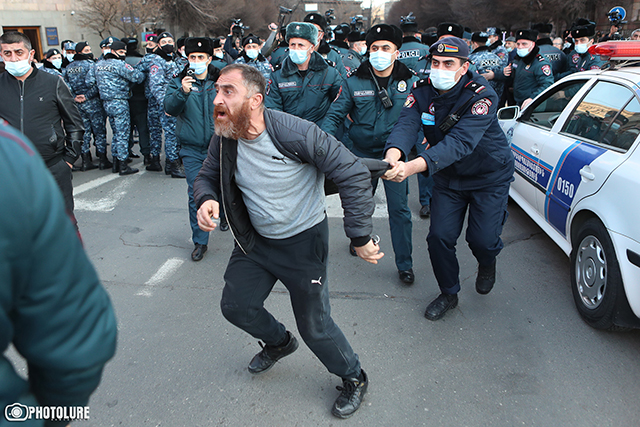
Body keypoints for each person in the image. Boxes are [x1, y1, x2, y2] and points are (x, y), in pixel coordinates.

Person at [193, 64, 385, 418]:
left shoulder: (296, 133)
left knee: (315, 327)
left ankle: (354, 376)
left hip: (303, 244)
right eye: (217, 90)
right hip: (256, 243)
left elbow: (353, 171)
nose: (217, 100)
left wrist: (359, 236)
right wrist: (206, 199)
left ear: (256, 100)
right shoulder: (225, 135)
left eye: (228, 92)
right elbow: (207, 175)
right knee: (236, 306)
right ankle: (279, 343)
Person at [383, 36, 514, 321]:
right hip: (449, 177)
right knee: (439, 237)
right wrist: (394, 155)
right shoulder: (421, 90)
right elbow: (406, 124)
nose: (439, 68)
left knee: (483, 240)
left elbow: (460, 143)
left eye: (448, 63)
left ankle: (487, 261)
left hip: (488, 175)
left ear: (464, 66)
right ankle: (449, 293)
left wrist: (412, 167)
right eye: (436, 62)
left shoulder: (482, 94)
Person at [0, 119, 117, 425]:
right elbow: (76, 336)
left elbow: (74, 121)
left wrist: (68, 157)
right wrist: (52, 417)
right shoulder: (8, 157)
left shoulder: (10, 157)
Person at [322, 24, 418, 285]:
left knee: (400, 211)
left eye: (385, 48)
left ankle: (404, 264)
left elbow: (419, 119)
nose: (379, 53)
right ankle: (358, 240)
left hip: (393, 157)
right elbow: (335, 115)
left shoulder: (410, 83)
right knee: (357, 203)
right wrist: (324, 142)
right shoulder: (353, 82)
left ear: (396, 52)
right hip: (361, 154)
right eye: (374, 48)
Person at [0, 31, 83, 227]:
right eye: (7, 53)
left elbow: (75, 124)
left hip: (52, 167)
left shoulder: (53, 83)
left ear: (31, 54)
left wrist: (68, 161)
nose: (14, 58)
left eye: (19, 52)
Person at [165, 37, 227, 263]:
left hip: (220, 145)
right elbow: (169, 108)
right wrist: (183, 91)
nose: (197, 61)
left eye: (201, 57)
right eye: (193, 57)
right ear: (187, 58)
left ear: (210, 59)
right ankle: (200, 241)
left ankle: (224, 213)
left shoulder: (220, 80)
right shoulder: (179, 81)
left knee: (224, 185)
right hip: (191, 149)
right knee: (195, 194)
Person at [265, 22, 342, 124]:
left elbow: (339, 106)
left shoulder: (329, 73)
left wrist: (324, 134)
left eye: (301, 45)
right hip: (288, 133)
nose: (296, 49)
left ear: (312, 48)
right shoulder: (277, 75)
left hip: (319, 134)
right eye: (293, 45)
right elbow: (273, 109)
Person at [92, 39, 145, 175]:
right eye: (121, 52)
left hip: (106, 103)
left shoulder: (98, 64)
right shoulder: (120, 64)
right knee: (122, 133)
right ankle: (122, 164)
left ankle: (116, 162)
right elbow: (138, 77)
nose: (123, 54)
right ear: (114, 51)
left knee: (116, 132)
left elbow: (89, 81)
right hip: (119, 102)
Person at [64, 41, 110, 171]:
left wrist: (75, 97)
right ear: (80, 52)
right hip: (93, 103)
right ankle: (102, 159)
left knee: (84, 133)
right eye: (86, 50)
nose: (89, 52)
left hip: (78, 104)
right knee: (99, 132)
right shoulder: (92, 65)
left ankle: (86, 161)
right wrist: (87, 96)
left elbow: (66, 85)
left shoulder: (69, 67)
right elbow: (97, 84)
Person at [148, 31, 186, 177]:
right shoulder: (157, 61)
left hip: (176, 101)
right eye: (164, 42)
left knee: (175, 133)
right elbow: (155, 86)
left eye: (170, 41)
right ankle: (173, 165)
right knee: (171, 134)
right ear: (158, 45)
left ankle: (171, 165)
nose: (168, 45)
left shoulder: (172, 60)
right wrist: (166, 104)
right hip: (167, 103)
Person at [503, 29, 554, 108]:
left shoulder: (540, 63)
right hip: (518, 102)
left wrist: (532, 98)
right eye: (518, 44)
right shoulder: (518, 59)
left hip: (534, 105)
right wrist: (503, 73)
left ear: (533, 44)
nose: (520, 47)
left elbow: (547, 84)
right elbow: (512, 74)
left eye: (524, 44)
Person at [123, 37, 150, 161]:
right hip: (140, 99)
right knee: (143, 128)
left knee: (125, 128)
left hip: (124, 99)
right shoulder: (142, 61)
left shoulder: (120, 62)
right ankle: (146, 154)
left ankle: (126, 152)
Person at [304, 12, 348, 77]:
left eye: (315, 30)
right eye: (307, 29)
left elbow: (343, 80)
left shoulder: (333, 55)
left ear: (322, 34)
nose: (311, 33)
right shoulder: (294, 53)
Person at [469, 32, 504, 98]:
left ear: (475, 44)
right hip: (497, 97)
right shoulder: (496, 57)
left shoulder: (471, 59)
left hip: (478, 98)